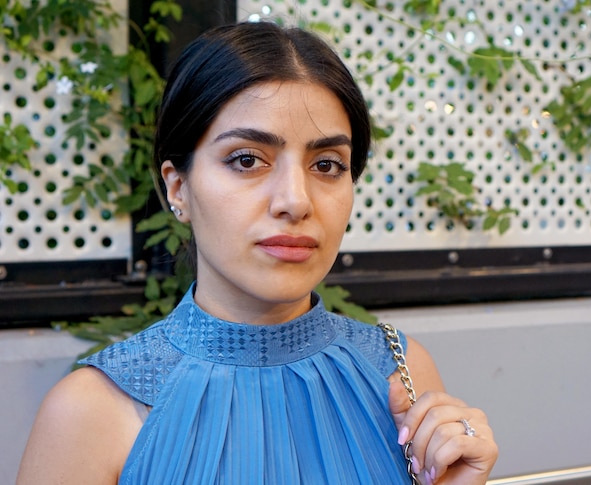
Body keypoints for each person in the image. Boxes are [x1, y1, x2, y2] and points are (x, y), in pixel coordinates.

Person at [17, 21, 497, 484]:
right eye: (247, 160)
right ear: (178, 188)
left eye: (327, 164)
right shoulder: (93, 409)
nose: (295, 201)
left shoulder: (401, 371)